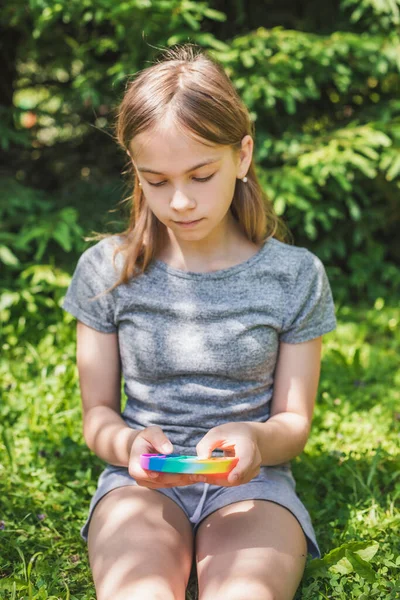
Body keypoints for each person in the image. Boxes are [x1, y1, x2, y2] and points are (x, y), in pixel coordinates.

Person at [62, 43, 337, 600]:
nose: (180, 201)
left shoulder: (295, 275)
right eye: (156, 180)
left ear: (243, 156)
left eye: (201, 174)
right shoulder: (107, 270)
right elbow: (97, 414)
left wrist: (256, 439)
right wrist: (129, 446)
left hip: (254, 486)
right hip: (138, 485)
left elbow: (292, 422)